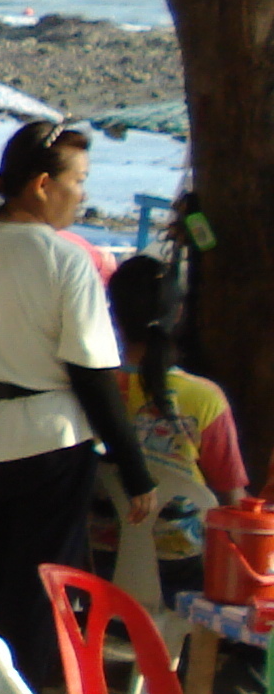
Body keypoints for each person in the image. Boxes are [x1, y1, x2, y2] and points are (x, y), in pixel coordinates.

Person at [0, 122, 157, 684]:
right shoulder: (63, 261)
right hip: (50, 442)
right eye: (79, 181)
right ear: (43, 184)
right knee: (40, 585)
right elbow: (93, 376)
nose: (82, 194)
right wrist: (136, 472)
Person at [90, 255, 249, 669]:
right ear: (178, 313)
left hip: (95, 561)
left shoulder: (92, 389)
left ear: (112, 311)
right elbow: (232, 497)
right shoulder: (203, 398)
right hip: (176, 573)